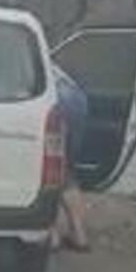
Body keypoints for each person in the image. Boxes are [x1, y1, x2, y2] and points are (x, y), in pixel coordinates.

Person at [50, 68, 91, 253]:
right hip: (74, 97)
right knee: (65, 169)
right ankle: (79, 235)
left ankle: (51, 234)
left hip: (52, 98)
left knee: (44, 167)